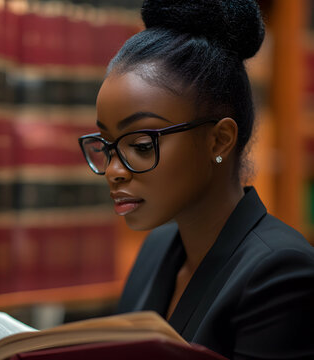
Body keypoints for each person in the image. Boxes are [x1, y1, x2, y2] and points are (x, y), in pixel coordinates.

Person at [78, 0, 314, 359]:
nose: (113, 170)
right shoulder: (158, 249)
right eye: (107, 146)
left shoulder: (281, 275)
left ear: (219, 140)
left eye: (141, 145)